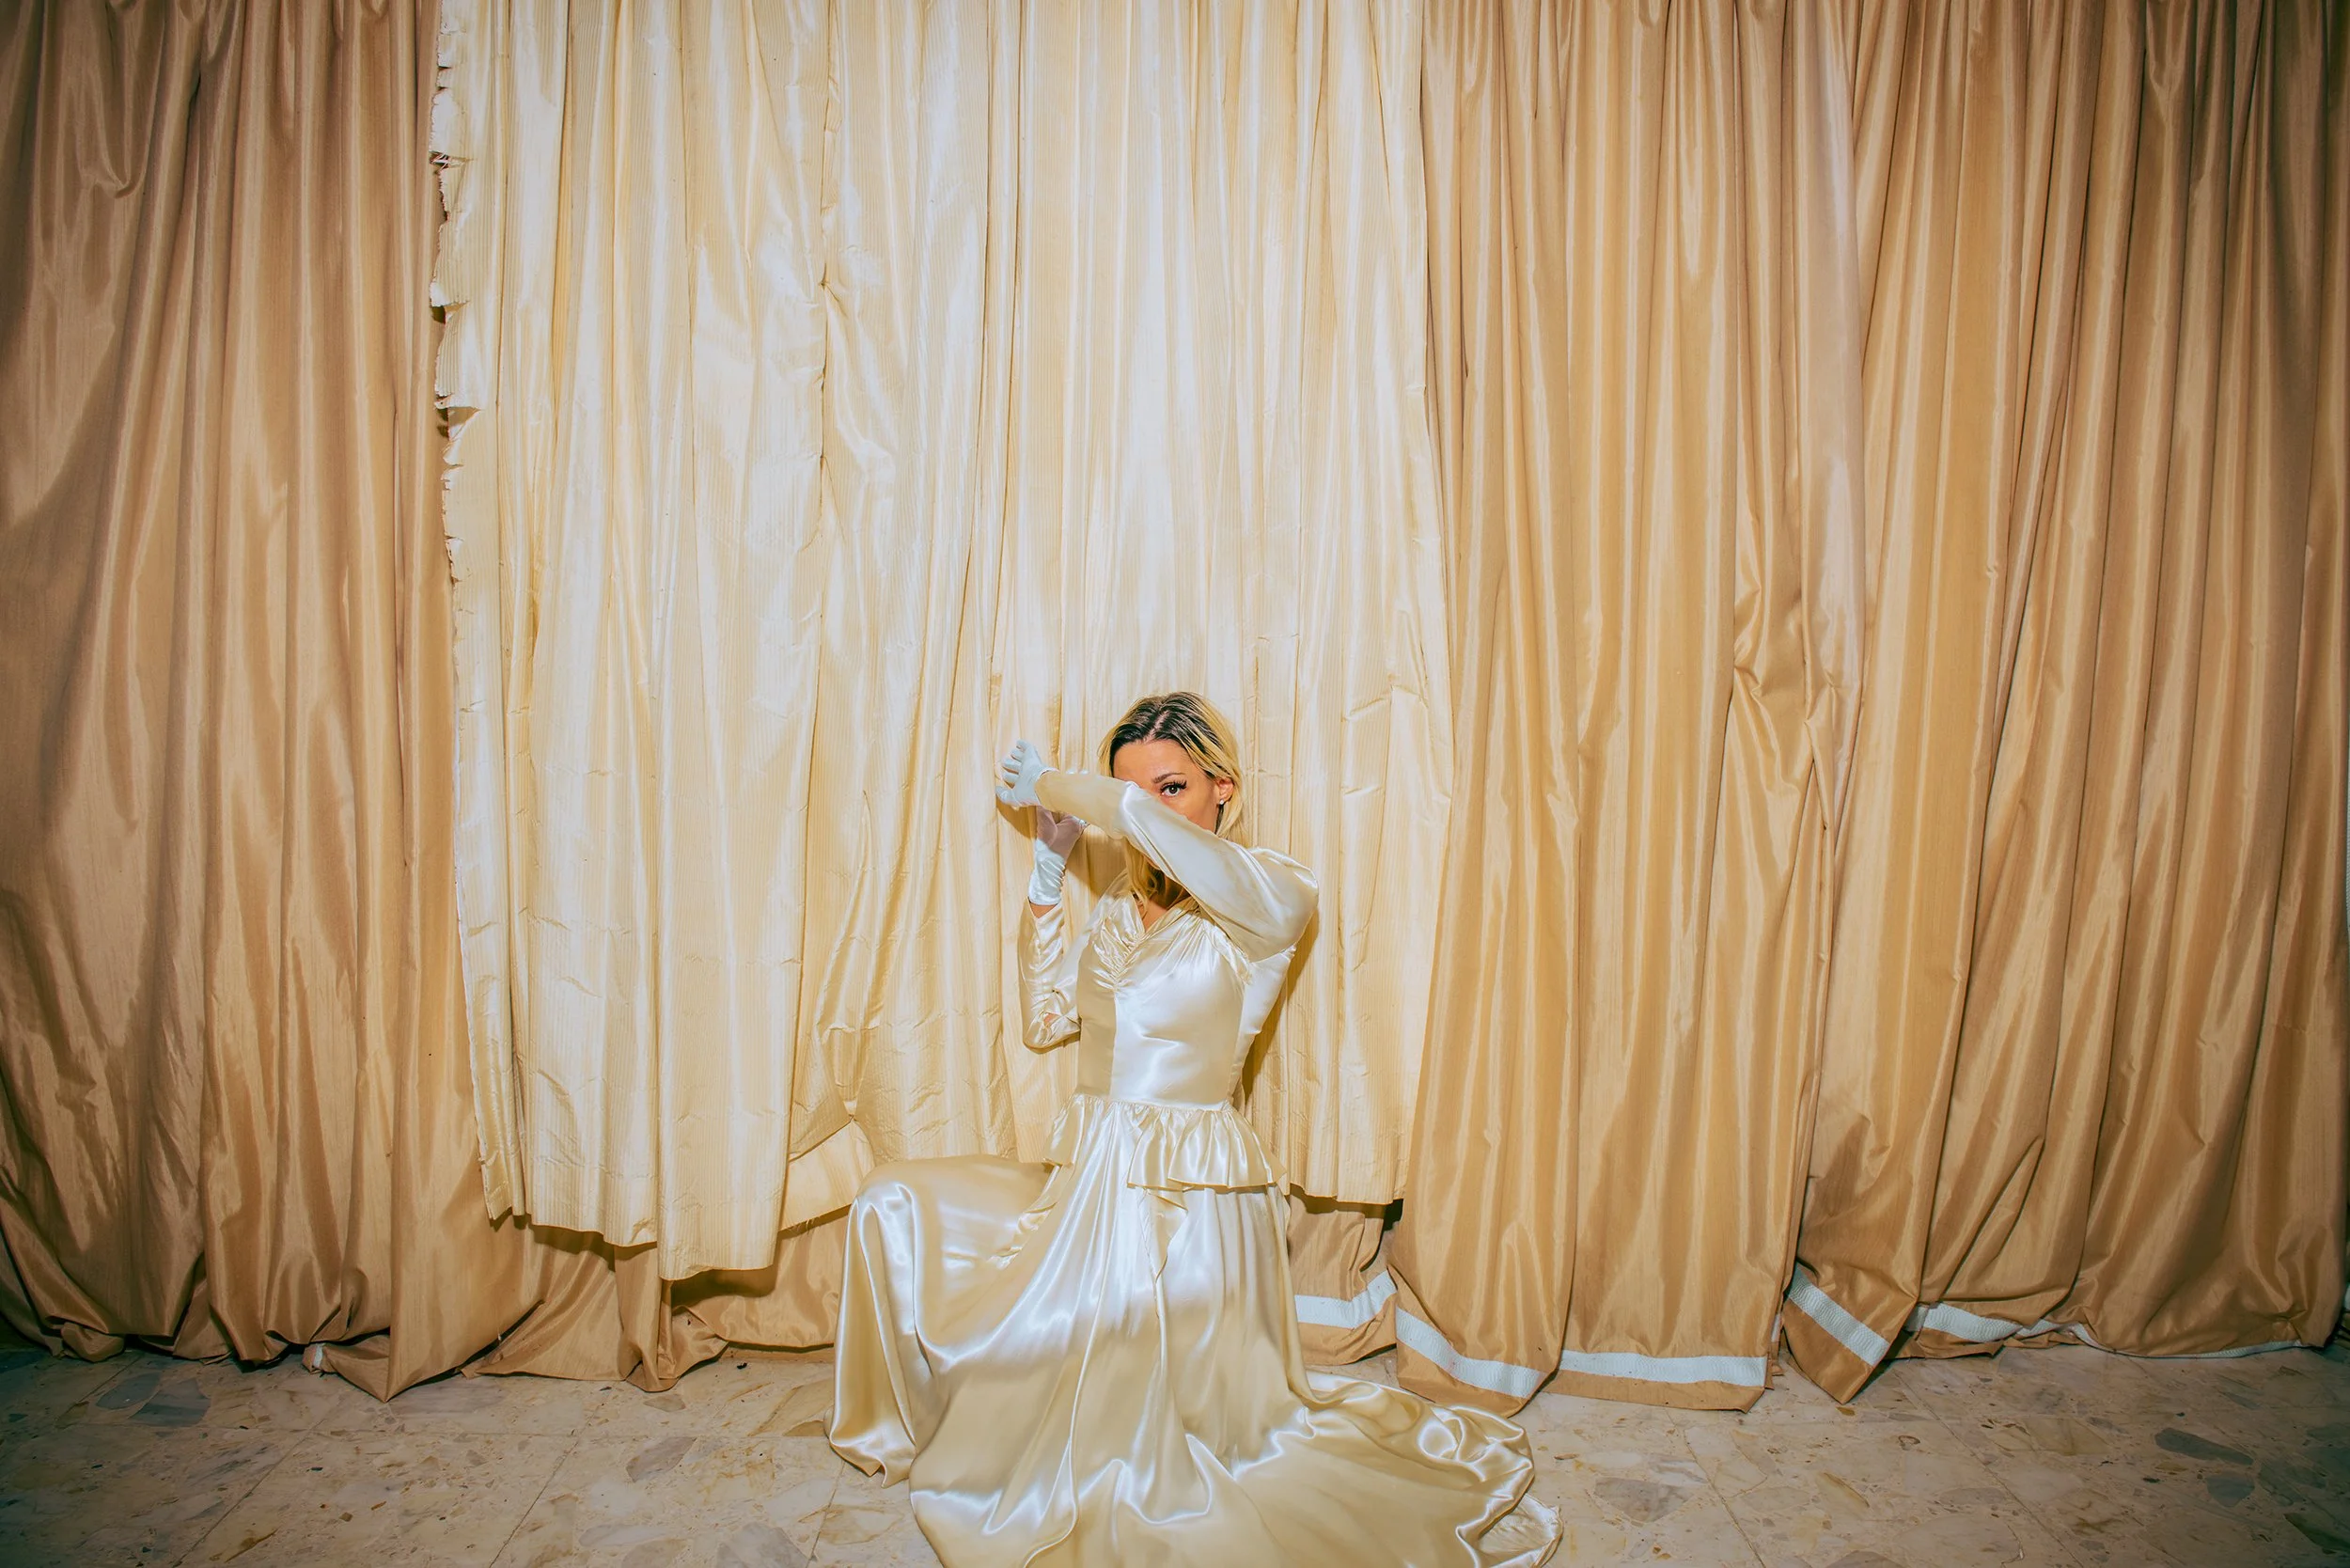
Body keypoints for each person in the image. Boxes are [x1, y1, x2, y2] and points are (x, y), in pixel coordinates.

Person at [828, 692, 1559, 1567]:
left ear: (1224, 789)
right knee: (891, 1201)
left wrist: (1065, 786)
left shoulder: (1270, 901)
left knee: (1112, 1401)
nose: (1146, 809)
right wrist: (1049, 880)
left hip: (1189, 1209)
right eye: (1132, 789)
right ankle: (916, 1415)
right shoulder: (1115, 915)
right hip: (1086, 1182)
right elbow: (1046, 1020)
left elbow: (1146, 830)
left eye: (1170, 786)